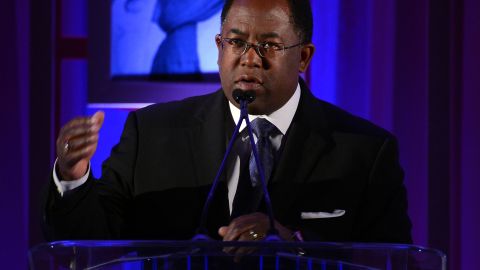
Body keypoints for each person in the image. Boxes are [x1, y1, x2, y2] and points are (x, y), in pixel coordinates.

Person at [43, 0, 412, 244]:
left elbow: (390, 262)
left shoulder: (365, 153)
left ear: (303, 57)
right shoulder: (152, 134)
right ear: (220, 47)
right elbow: (91, 241)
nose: (250, 59)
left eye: (268, 45)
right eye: (236, 42)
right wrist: (73, 175)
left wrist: (293, 242)